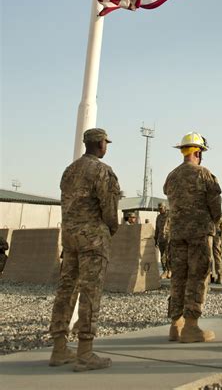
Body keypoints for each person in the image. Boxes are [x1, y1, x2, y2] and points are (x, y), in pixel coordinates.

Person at [49, 128, 120, 372]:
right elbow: (109, 209)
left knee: (66, 289)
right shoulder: (102, 171)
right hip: (92, 240)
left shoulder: (69, 171)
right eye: (105, 143)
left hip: (70, 239)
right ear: (101, 144)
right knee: (90, 292)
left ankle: (59, 348)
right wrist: (111, 228)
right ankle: (85, 352)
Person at [164, 131, 222, 343]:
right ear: (198, 152)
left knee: (179, 277)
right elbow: (215, 205)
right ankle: (191, 327)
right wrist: (213, 223)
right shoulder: (204, 174)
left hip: (177, 234)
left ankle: (175, 324)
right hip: (199, 234)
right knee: (198, 277)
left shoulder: (172, 176)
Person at [154, 202, 171, 278]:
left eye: (161, 208)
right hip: (161, 239)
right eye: (159, 209)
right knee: (162, 256)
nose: (160, 210)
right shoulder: (158, 217)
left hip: (169, 238)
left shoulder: (169, 216)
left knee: (168, 255)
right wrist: (155, 239)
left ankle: (170, 270)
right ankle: (165, 271)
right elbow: (157, 229)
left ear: (165, 207)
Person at [212, 216, 222, 284]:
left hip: (211, 235)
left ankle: (219, 276)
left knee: (214, 256)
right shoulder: (219, 215)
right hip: (216, 236)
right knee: (217, 256)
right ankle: (219, 276)